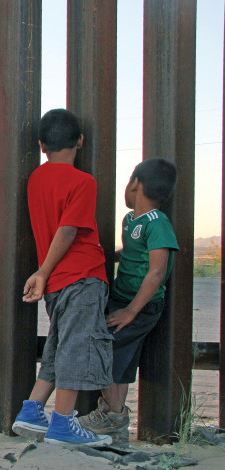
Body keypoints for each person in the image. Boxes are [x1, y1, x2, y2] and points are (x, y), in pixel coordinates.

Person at [12, 108, 113, 446]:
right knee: (75, 350)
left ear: (42, 145)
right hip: (82, 276)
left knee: (58, 346)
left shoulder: (35, 179)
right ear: (80, 140)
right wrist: (42, 271)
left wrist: (45, 273)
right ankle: (62, 425)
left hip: (56, 284)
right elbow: (69, 230)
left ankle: (32, 410)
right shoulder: (84, 182)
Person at [78, 158, 178, 445]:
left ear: (136, 183)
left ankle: (114, 415)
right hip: (122, 299)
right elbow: (136, 253)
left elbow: (157, 271)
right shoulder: (131, 220)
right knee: (120, 362)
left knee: (104, 353)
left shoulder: (158, 223)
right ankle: (115, 424)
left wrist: (131, 311)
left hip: (139, 306)